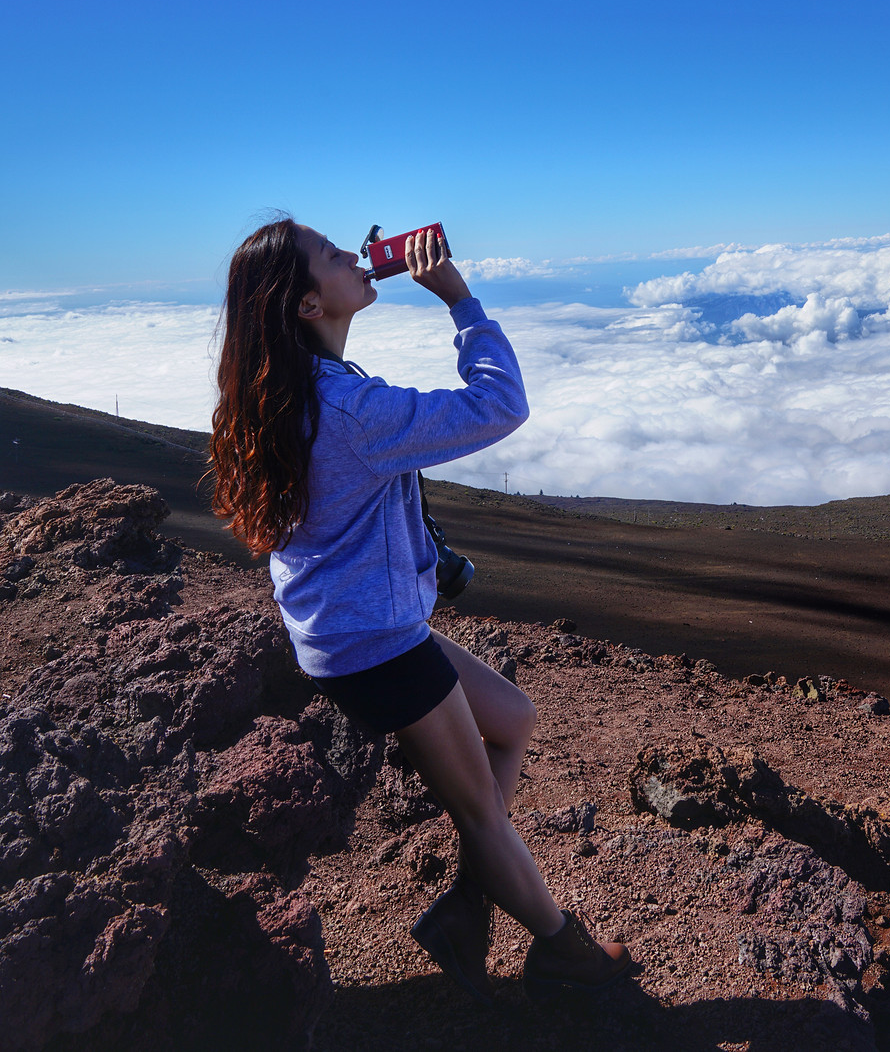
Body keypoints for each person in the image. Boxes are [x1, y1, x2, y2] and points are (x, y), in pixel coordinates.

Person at [209, 216, 632, 1007]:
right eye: (335, 257)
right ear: (307, 305)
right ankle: (562, 949)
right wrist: (459, 301)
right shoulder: (349, 409)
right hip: (374, 645)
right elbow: (501, 405)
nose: (357, 256)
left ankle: (473, 900)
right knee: (481, 810)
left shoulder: (288, 389)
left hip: (361, 629)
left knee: (512, 716)